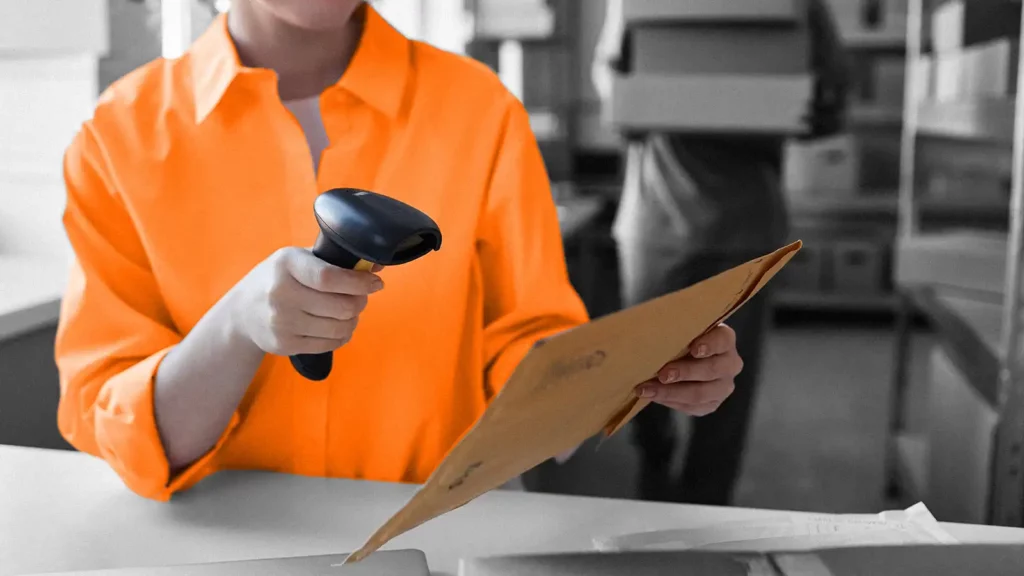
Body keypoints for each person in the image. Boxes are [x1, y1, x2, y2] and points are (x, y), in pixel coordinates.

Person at [54, 0, 744, 502]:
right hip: (220, 545)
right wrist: (235, 328)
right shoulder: (117, 139)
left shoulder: (480, 110)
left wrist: (621, 372)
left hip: (438, 529)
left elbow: (525, 344)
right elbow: (122, 429)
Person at [593, 0, 849, 504]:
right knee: (646, 379)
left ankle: (708, 510)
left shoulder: (796, 4)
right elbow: (612, 89)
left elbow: (830, 101)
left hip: (745, 225)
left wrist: (770, 103)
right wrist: (647, 102)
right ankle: (654, 481)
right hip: (657, 217)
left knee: (727, 386)